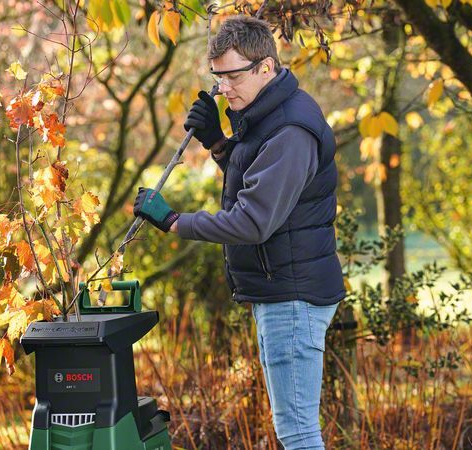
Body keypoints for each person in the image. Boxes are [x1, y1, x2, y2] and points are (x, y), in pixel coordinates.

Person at [132, 15, 345, 450]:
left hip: (293, 296)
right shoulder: (266, 116)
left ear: (265, 67)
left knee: (299, 433)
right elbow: (258, 183)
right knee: (295, 429)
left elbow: (253, 221)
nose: (224, 89)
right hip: (281, 292)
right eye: (218, 78)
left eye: (232, 77)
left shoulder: (290, 130)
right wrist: (218, 142)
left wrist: (175, 221)